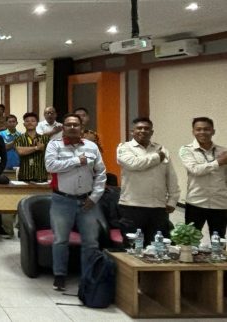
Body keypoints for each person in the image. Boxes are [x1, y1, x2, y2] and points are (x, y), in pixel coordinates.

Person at [45, 113, 107, 292]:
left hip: (87, 202)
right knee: (60, 240)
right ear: (63, 128)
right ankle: (60, 275)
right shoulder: (54, 145)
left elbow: (101, 173)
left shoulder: (91, 147)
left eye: (76, 125)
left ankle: (88, 277)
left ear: (81, 128)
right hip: (62, 201)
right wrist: (76, 161)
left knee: (91, 242)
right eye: (68, 125)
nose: (72, 128)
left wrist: (94, 197)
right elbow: (50, 166)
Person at [116, 117, 179, 245]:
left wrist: (173, 200)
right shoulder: (124, 148)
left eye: (146, 128)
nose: (143, 131)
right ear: (132, 131)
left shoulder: (162, 149)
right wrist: (157, 157)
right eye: (139, 128)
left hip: (158, 208)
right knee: (133, 247)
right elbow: (134, 164)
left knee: (157, 247)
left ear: (152, 132)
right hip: (132, 207)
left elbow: (171, 176)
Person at [179, 117, 227, 237]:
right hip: (196, 202)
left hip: (220, 203)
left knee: (218, 240)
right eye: (198, 129)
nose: (202, 132)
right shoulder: (186, 150)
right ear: (193, 132)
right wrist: (219, 162)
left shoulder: (223, 151)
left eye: (206, 129)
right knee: (189, 240)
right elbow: (195, 170)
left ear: (213, 131)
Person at [14, 112, 49, 182]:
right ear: (24, 124)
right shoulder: (19, 138)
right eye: (27, 121)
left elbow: (49, 154)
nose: (30, 123)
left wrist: (42, 149)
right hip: (24, 176)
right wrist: (37, 148)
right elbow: (20, 151)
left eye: (33, 121)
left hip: (41, 176)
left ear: (37, 123)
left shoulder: (45, 138)